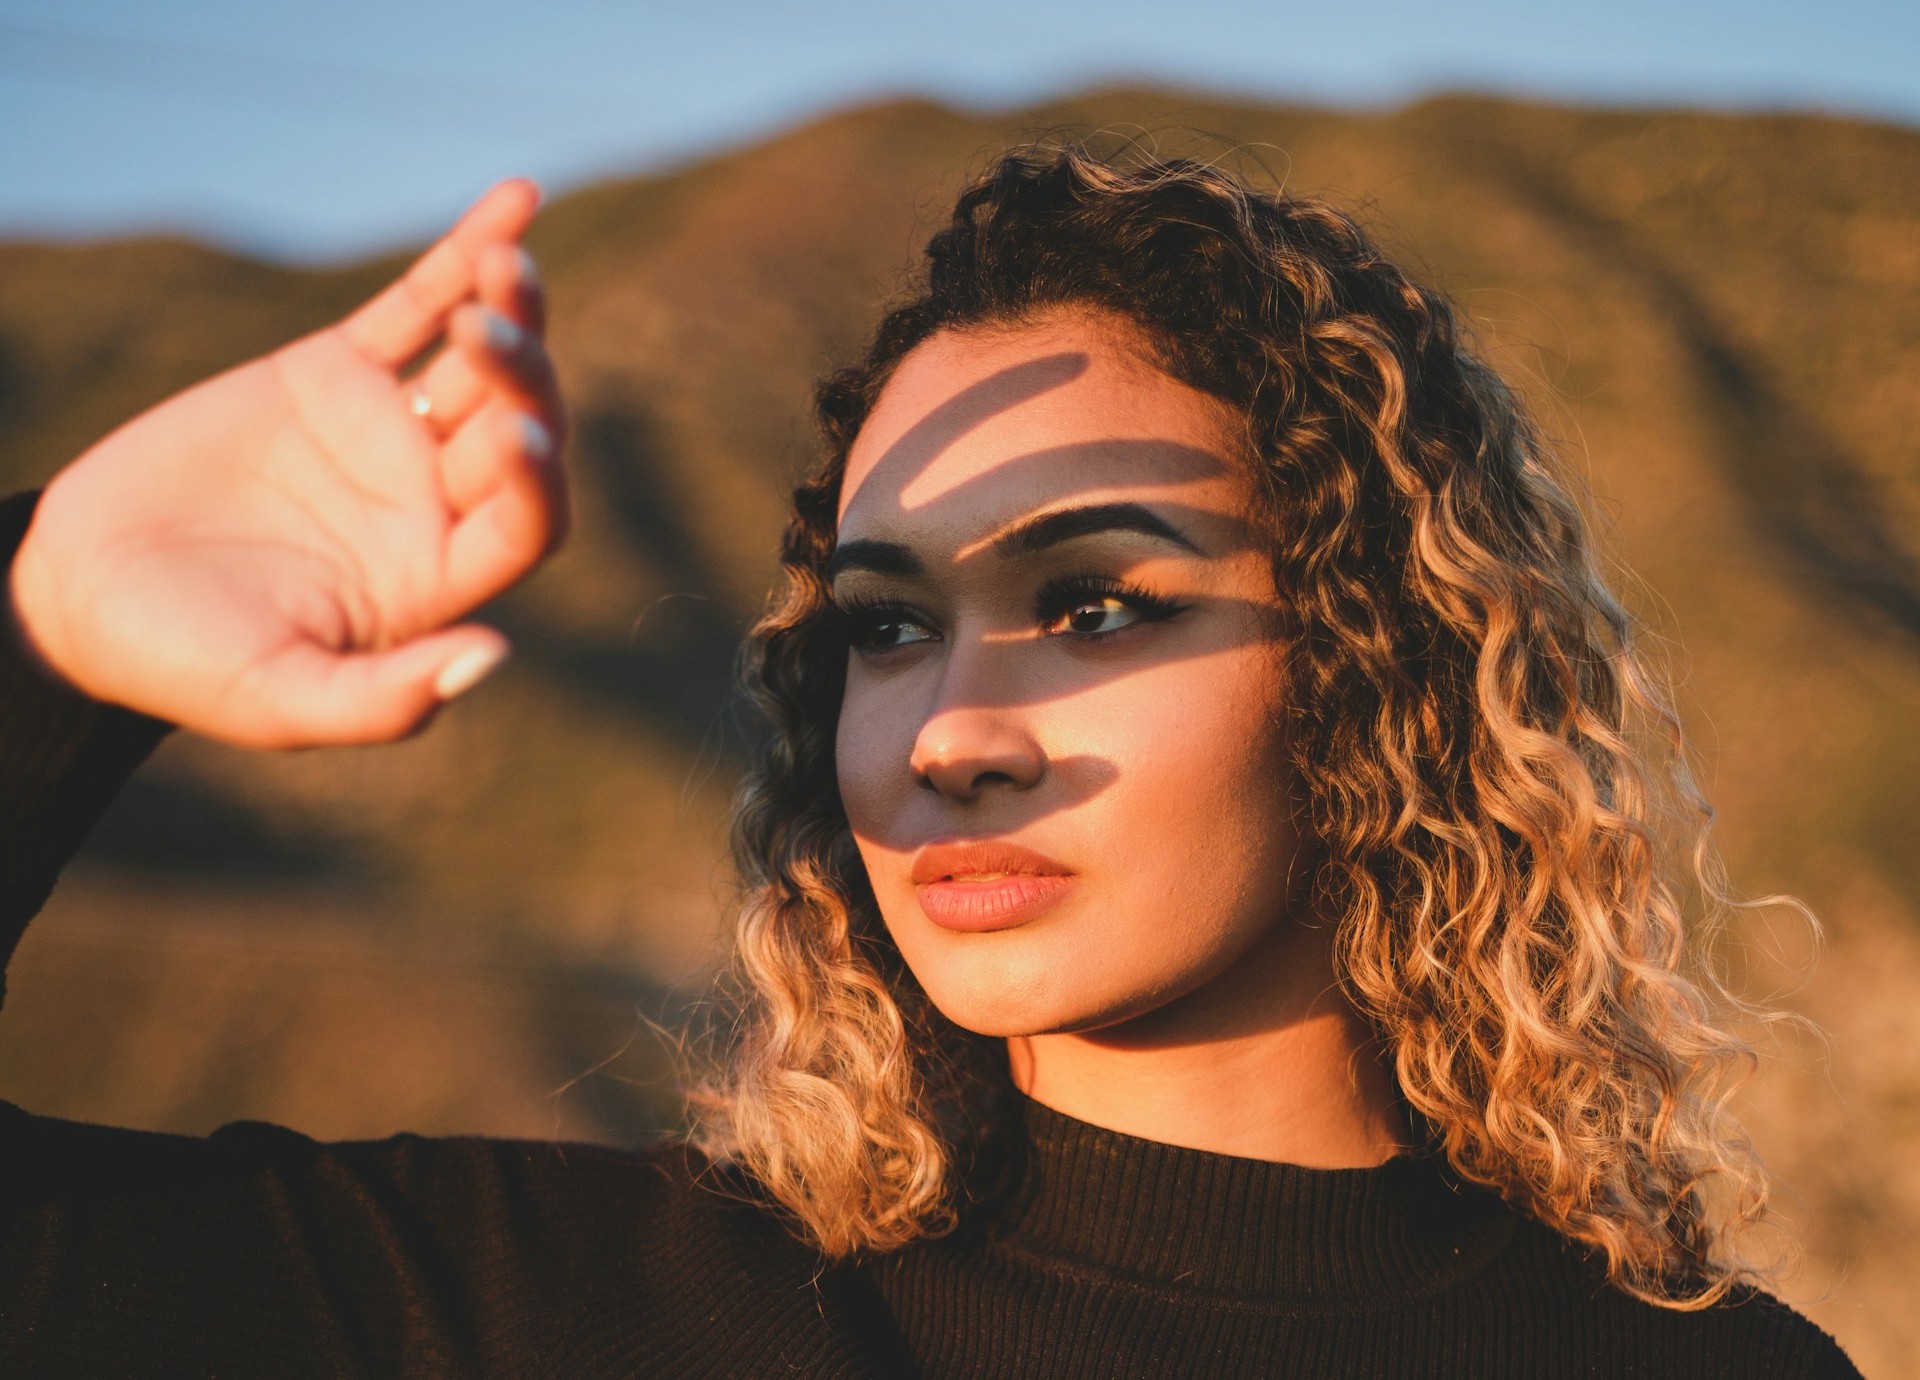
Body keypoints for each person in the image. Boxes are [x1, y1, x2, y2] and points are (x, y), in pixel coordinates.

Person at [0, 150, 1862, 1377]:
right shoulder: (561, 1311)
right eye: (885, 626)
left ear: (1383, 671)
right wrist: (47, 635)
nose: (950, 732)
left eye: (1101, 605)